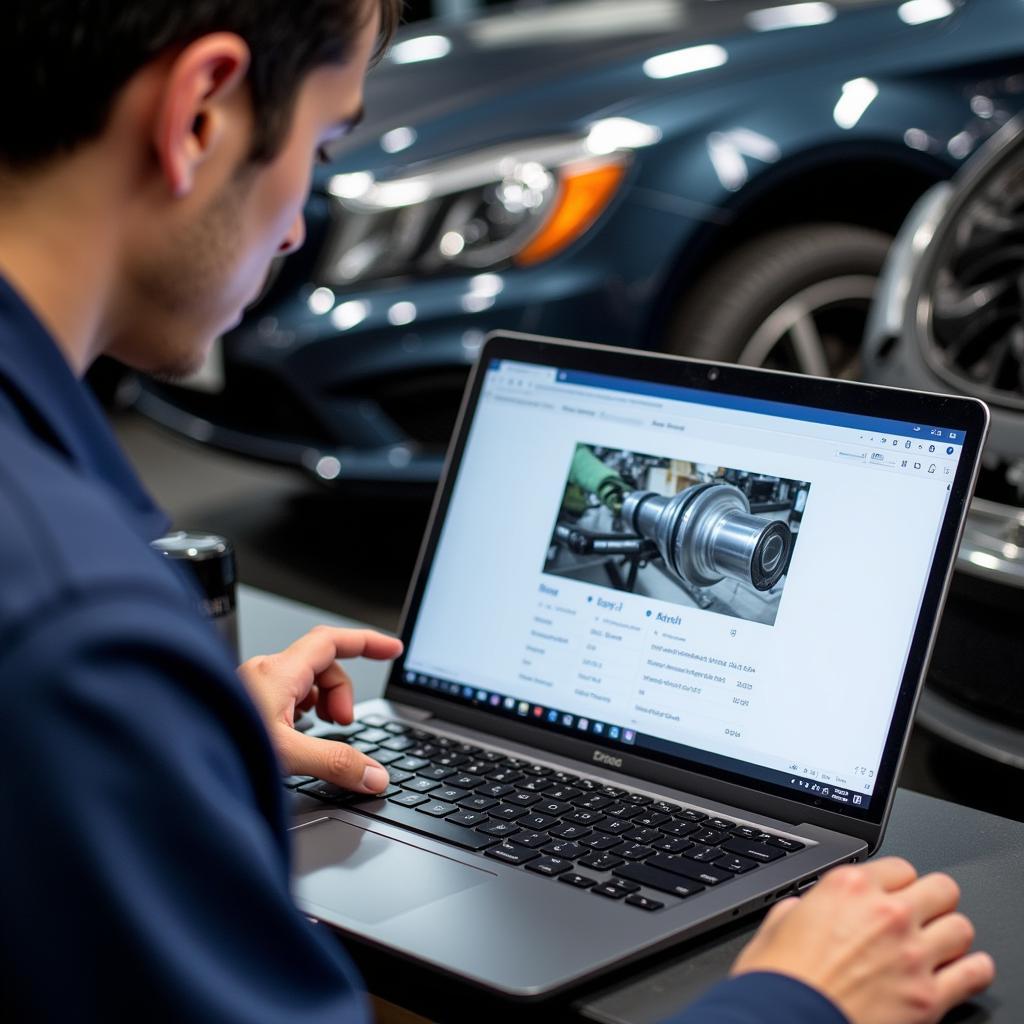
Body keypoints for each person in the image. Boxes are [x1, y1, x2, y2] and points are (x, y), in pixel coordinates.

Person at [0, 2, 994, 1022]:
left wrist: (190, 745)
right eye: (324, 144)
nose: (298, 225)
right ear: (199, 115)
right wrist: (797, 1001)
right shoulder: (78, 628)